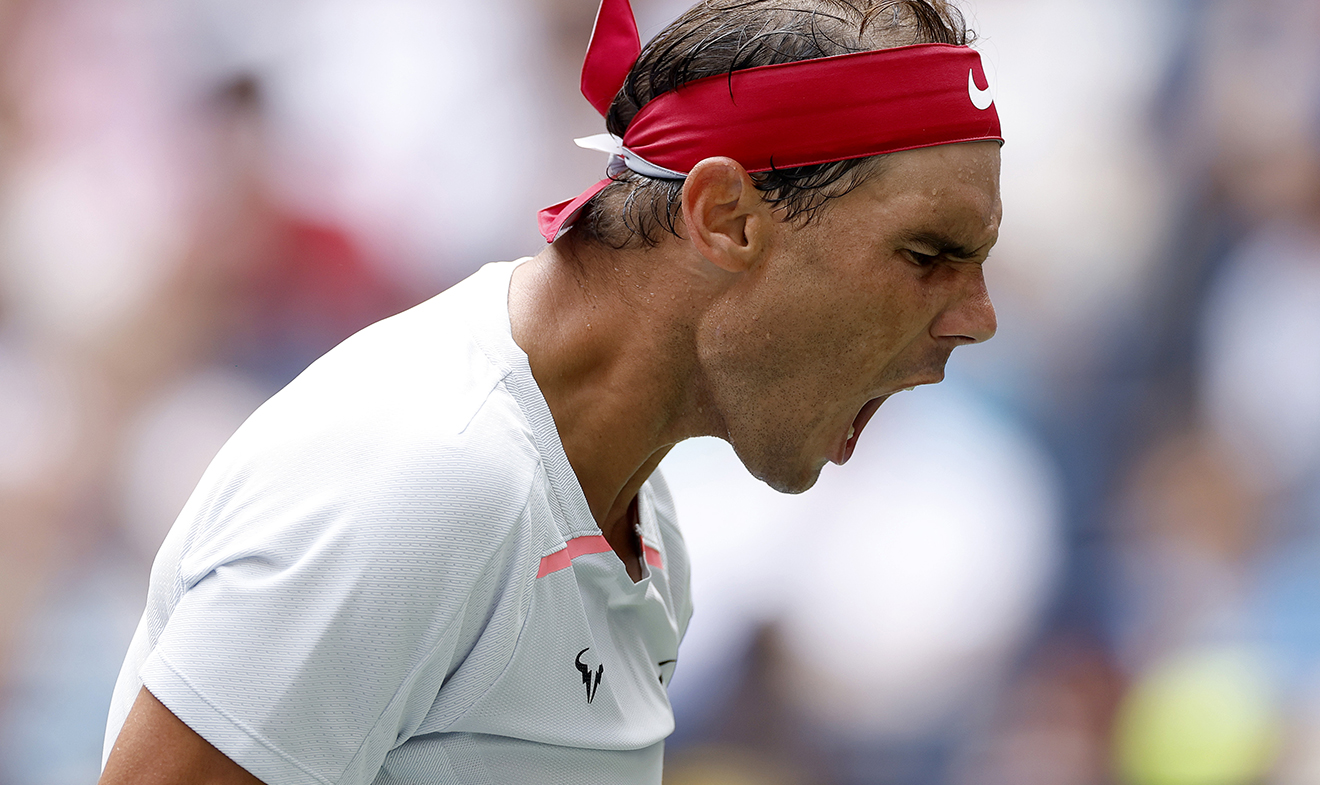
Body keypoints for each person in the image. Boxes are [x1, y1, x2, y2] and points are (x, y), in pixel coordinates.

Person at [97, 0, 1002, 782]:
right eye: (927, 255)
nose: (978, 318)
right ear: (724, 219)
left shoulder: (639, 519)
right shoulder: (424, 478)